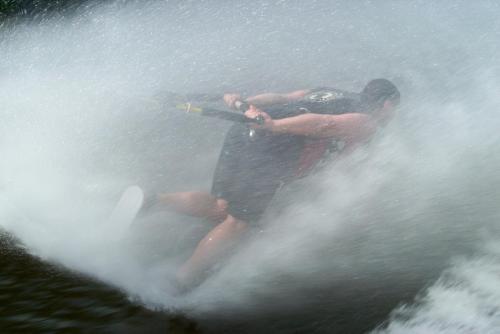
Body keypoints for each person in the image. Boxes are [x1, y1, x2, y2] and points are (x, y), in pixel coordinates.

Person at [148, 78, 400, 289]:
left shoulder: (329, 93)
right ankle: (179, 282)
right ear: (387, 104)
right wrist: (275, 125)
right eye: (394, 109)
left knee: (221, 207)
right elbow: (326, 124)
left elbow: (281, 97)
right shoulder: (366, 121)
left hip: (243, 130)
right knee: (238, 223)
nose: (392, 116)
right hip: (273, 145)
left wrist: (247, 104)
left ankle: (153, 201)